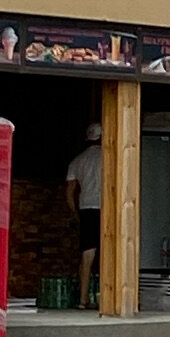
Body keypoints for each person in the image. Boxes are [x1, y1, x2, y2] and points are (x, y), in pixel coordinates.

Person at [66, 122, 103, 305]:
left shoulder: (77, 160)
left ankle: (83, 299)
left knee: (87, 255)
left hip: (86, 208)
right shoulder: (109, 157)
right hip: (106, 208)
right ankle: (108, 299)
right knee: (108, 254)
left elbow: (69, 192)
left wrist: (75, 213)